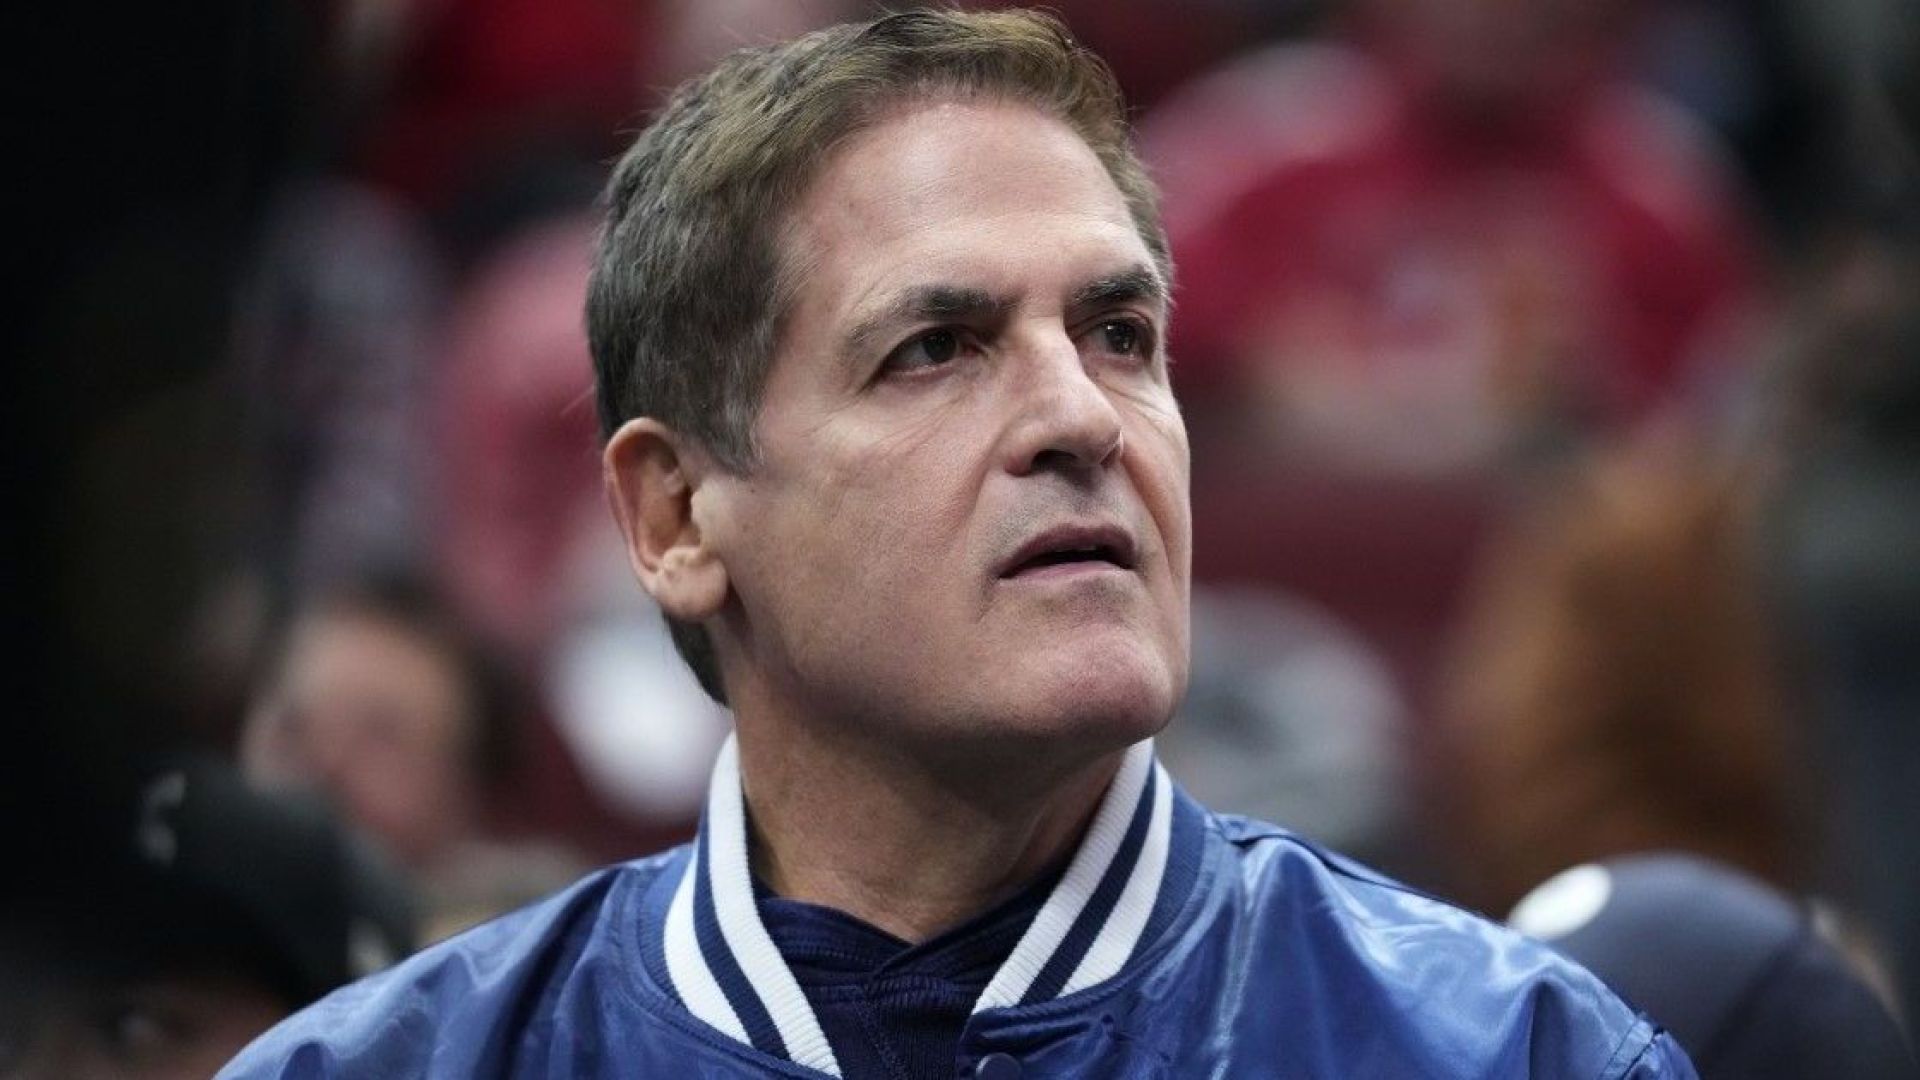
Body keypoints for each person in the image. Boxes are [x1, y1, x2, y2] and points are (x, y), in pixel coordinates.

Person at [222, 10, 1696, 1077]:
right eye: (935, 348)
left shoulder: (1518, 1054)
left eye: (1121, 335)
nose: (1082, 418)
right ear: (674, 517)